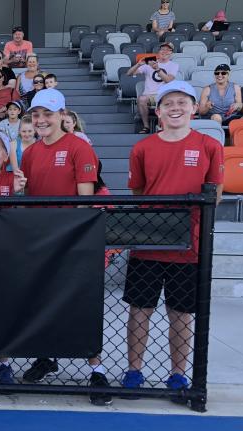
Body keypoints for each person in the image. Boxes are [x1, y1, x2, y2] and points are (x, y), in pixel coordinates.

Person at [121, 80, 224, 399]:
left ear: (194, 108)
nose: (175, 108)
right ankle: (134, 370)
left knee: (181, 313)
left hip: (188, 245)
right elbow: (138, 193)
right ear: (159, 111)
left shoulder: (210, 146)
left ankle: (178, 375)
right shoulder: (142, 148)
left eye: (182, 102)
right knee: (139, 310)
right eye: (168, 103)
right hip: (148, 243)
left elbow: (216, 193)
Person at [18, 89, 109, 406]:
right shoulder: (29, 153)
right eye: (36, 115)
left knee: (79, 308)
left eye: (47, 114)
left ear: (61, 115)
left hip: (70, 243)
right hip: (41, 243)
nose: (41, 120)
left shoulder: (78, 147)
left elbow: (85, 202)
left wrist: (71, 241)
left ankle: (97, 370)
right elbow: (28, 202)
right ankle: (46, 358)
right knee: (40, 304)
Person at [126, 42, 178, 133]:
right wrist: (138, 64)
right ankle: (146, 126)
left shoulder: (173, 65)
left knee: (166, 101)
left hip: (164, 95)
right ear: (159, 51)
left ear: (171, 53)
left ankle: (162, 127)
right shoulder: (150, 62)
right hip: (150, 96)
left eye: (168, 50)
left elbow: (168, 80)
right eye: (163, 49)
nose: (165, 52)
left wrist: (157, 69)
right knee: (141, 99)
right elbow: (129, 73)